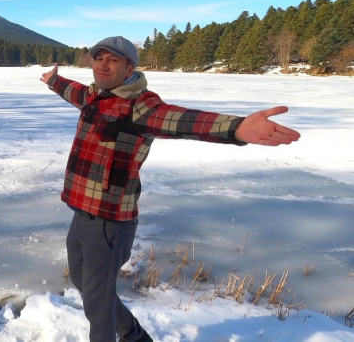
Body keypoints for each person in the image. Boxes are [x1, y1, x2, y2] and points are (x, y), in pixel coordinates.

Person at [39, 36, 300, 342]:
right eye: (99, 59)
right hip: (82, 211)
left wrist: (236, 128)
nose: (103, 65)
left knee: (97, 306)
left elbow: (181, 120)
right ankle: (134, 335)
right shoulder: (94, 96)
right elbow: (74, 91)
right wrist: (53, 80)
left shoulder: (140, 106)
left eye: (113, 60)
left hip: (108, 220)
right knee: (85, 283)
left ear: (129, 67)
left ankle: (128, 336)